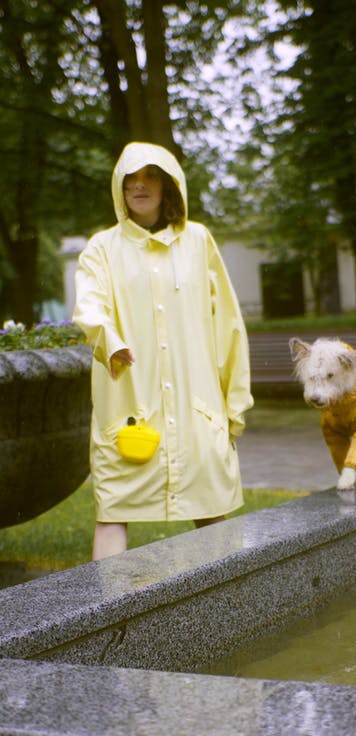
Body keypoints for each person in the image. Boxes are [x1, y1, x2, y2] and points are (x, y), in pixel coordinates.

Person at [73, 141, 254, 559]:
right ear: (119, 187)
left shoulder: (198, 241)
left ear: (169, 184)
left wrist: (234, 402)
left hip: (197, 404)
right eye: (130, 178)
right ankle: (107, 614)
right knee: (114, 508)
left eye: (150, 175)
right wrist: (110, 341)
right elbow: (89, 305)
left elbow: (228, 322)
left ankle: (228, 606)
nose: (139, 185)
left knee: (211, 507)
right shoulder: (102, 247)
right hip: (130, 402)